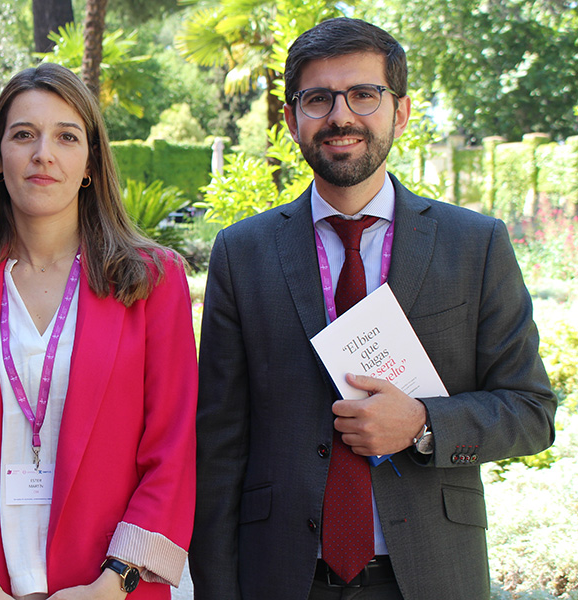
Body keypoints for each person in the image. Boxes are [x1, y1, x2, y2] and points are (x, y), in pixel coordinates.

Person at [190, 17, 556, 600]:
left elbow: (532, 410)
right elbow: (218, 442)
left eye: (364, 94)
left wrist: (423, 424)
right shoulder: (243, 252)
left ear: (401, 111)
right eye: (318, 98)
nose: (341, 115)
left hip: (431, 575)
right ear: (292, 119)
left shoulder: (475, 245)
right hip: (281, 577)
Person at [0, 63, 197, 600]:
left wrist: (110, 588)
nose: (43, 153)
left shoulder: (153, 281)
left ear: (90, 162)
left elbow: (172, 450)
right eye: (24, 135)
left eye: (66, 136)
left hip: (107, 587)